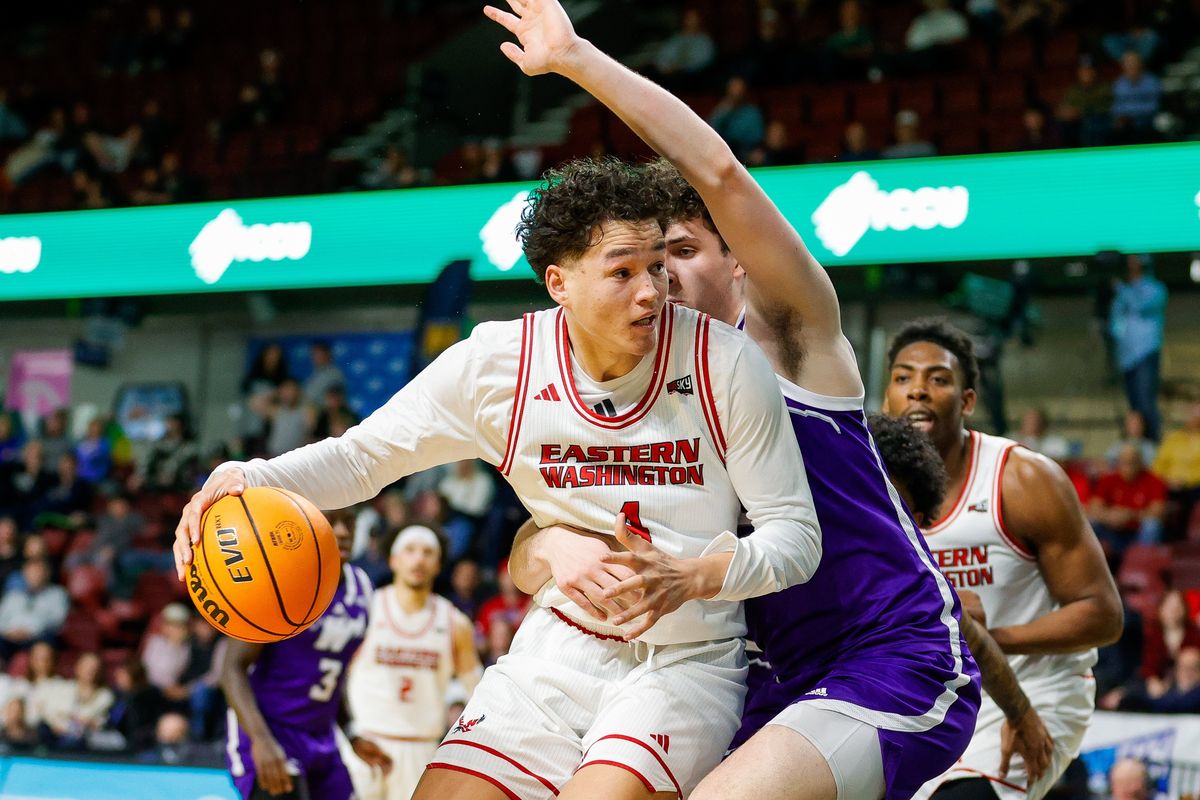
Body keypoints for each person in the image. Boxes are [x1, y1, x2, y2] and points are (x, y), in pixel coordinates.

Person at [175, 158, 824, 798]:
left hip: (684, 661)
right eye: (623, 271)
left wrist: (696, 576)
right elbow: (360, 459)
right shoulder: (497, 367)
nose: (653, 290)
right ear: (559, 283)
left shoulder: (724, 362)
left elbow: (796, 537)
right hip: (556, 649)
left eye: (657, 264)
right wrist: (242, 477)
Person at [487, 3, 980, 799]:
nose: (664, 274)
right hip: (759, 680)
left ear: (739, 266)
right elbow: (534, 546)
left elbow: (720, 174)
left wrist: (577, 59)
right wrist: (544, 553)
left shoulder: (788, 337)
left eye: (683, 250)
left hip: (888, 653)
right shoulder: (637, 390)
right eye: (647, 258)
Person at [882, 318, 1124, 799]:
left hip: (1038, 687)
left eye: (938, 379)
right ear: (886, 396)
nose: (918, 392)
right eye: (903, 378)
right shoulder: (870, 482)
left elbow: (1103, 615)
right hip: (930, 691)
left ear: (968, 400)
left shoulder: (1024, 479)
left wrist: (989, 642)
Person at [221, 509, 390, 800]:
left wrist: (351, 731)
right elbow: (231, 669)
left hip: (323, 738)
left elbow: (332, 671)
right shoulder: (278, 578)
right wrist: (260, 741)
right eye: (330, 522)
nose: (342, 532)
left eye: (349, 523)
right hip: (270, 730)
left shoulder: (363, 586)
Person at [342, 525, 481, 800]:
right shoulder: (366, 608)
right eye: (410, 551)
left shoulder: (455, 622)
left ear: (439, 564)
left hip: (422, 749)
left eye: (428, 553)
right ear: (393, 560)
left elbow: (477, 690)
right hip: (363, 744)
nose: (418, 559)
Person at [1110, 254, 1167, 441]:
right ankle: (1135, 441)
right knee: (1133, 404)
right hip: (1127, 357)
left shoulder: (1155, 288)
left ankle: (1152, 442)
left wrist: (1120, 288)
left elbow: (1140, 306)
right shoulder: (1123, 292)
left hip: (1146, 352)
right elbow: (1116, 322)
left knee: (1145, 401)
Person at [1087, 443, 1166, 559]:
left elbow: (1157, 512)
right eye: (1123, 462)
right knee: (1090, 522)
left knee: (1152, 526)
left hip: (1137, 531)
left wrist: (1130, 515)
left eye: (1132, 462)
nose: (1128, 467)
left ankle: (1139, 565)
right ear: (1117, 463)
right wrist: (1109, 516)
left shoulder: (1154, 480)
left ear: (1141, 462)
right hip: (1113, 530)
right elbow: (1093, 509)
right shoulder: (1108, 479)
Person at [0, 559, 68, 658]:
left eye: (38, 572)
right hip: (10, 637)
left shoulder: (57, 594)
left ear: (47, 573)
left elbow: (57, 620)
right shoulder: (13, 596)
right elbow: (1, 619)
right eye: (31, 572)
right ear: (24, 574)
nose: (35, 576)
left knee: (47, 640)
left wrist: (30, 632)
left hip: (37, 637)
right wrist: (9, 632)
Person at [1153, 400, 1200, 539]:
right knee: (1157, 495)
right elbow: (1158, 467)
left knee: (1190, 496)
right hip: (1170, 485)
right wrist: (1169, 481)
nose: (1196, 419)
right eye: (1194, 415)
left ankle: (1185, 540)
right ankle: (1164, 541)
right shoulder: (1173, 439)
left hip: (1195, 487)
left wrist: (1188, 481)